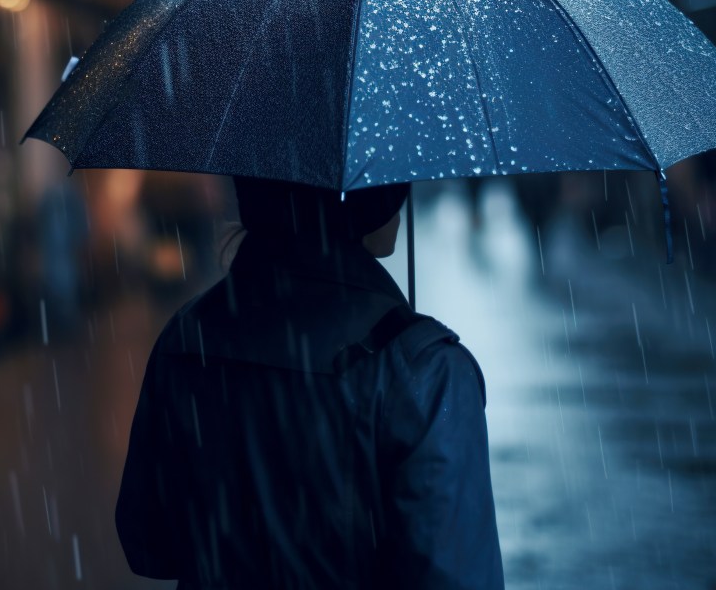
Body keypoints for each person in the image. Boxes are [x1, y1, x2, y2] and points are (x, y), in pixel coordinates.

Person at [116, 177, 504, 588]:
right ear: (369, 201)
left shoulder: (186, 339)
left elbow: (149, 545)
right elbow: (458, 575)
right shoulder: (425, 370)